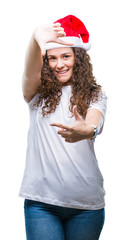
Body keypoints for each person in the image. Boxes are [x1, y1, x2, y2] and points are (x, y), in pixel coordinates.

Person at [20, 15, 107, 240]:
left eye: (66, 56)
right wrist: (35, 39)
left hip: (86, 206)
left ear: (77, 58)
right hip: (42, 204)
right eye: (52, 58)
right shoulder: (37, 93)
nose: (59, 64)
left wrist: (88, 130)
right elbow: (30, 71)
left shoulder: (94, 94)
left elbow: (94, 120)